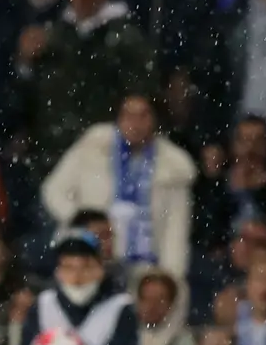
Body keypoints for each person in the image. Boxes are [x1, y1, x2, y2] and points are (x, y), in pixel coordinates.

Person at [41, 93, 198, 277]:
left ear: (155, 120)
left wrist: (169, 280)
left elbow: (175, 236)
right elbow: (53, 191)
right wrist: (84, 224)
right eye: (128, 115)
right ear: (118, 118)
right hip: (86, 257)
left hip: (142, 269)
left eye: (143, 115)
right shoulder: (92, 147)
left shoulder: (173, 169)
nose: (135, 123)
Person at [17, 233, 137, 345]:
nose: (77, 278)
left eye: (86, 267)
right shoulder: (43, 304)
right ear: (58, 272)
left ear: (101, 269)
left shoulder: (120, 307)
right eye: (68, 267)